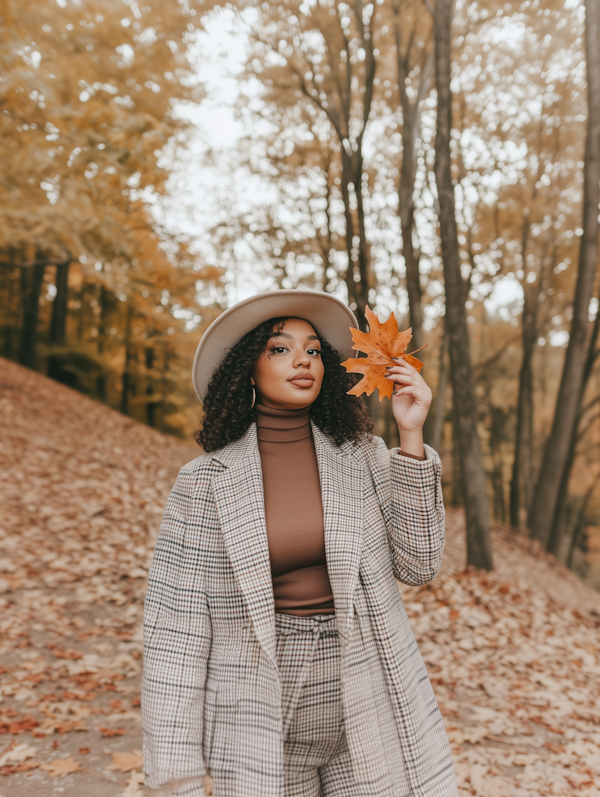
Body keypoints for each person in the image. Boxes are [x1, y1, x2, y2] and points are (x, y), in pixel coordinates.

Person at [142, 290, 458, 797]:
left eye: (313, 350)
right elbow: (176, 630)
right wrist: (175, 765)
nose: (302, 361)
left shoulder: (364, 457)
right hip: (258, 701)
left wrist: (411, 434)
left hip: (363, 682)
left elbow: (420, 564)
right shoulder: (203, 483)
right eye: (280, 349)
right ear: (248, 366)